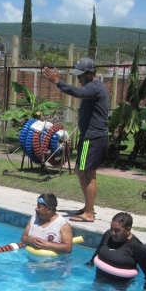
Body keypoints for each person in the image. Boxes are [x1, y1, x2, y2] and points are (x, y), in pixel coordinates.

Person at [43, 57, 109, 224]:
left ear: (90, 73)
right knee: (80, 170)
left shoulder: (94, 86)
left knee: (88, 173)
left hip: (93, 137)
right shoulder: (91, 85)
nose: (79, 79)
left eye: (81, 75)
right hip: (88, 136)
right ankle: (89, 207)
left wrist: (58, 81)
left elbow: (78, 93)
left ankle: (88, 213)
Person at [86, 212, 146, 290]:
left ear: (128, 229)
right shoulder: (108, 234)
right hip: (100, 276)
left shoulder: (137, 247)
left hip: (122, 283)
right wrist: (91, 263)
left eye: (117, 230)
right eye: (111, 228)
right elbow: (98, 251)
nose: (112, 233)